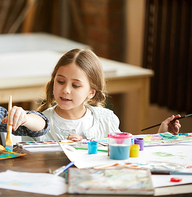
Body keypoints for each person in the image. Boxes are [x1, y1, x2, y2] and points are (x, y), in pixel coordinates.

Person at [25, 48, 181, 142]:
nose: (66, 90)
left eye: (76, 85)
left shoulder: (107, 120)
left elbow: (125, 153)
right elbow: (31, 163)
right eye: (60, 81)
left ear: (91, 93)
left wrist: (163, 135)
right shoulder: (38, 123)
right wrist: (64, 151)